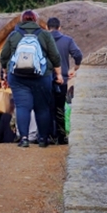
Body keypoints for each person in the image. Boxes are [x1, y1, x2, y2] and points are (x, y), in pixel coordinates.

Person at [0, 10, 62, 148]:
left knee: (22, 106)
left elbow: (4, 56)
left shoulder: (14, 35)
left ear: (22, 20)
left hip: (18, 77)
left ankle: (24, 138)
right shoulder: (45, 35)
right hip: (42, 76)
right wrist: (58, 74)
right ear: (36, 20)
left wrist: (4, 72)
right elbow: (55, 56)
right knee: (42, 108)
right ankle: (43, 139)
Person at [46, 17, 82, 145]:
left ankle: (49, 136)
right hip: (62, 80)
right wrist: (75, 68)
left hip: (45, 80)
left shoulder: (41, 40)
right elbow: (78, 55)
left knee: (47, 108)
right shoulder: (67, 40)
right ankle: (61, 137)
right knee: (60, 108)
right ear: (59, 27)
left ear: (47, 27)